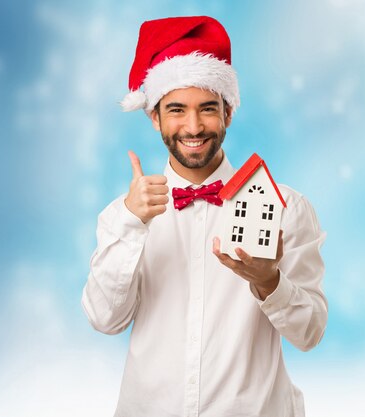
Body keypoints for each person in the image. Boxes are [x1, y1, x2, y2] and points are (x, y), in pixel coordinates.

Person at [81, 16, 327, 417]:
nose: (193, 126)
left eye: (207, 109)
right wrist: (131, 224)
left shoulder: (285, 208)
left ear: (228, 113)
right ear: (154, 116)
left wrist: (270, 282)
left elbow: (310, 332)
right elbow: (105, 319)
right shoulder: (121, 216)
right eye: (176, 109)